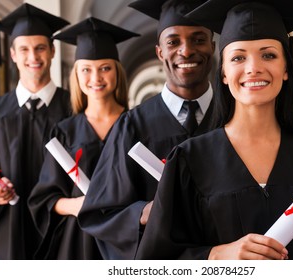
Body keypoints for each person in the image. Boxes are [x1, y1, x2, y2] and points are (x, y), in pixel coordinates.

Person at [136, 0, 293, 260]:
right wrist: (216, 255)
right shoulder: (188, 160)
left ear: (286, 68)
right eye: (238, 57)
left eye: (268, 54)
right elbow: (154, 263)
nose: (253, 67)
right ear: (224, 72)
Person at [77, 0, 216, 259]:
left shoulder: (234, 117)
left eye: (198, 39)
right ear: (160, 52)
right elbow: (100, 213)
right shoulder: (131, 126)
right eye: (173, 42)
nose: (186, 51)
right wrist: (143, 212)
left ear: (213, 47)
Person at [27, 17, 139, 260]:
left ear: (117, 72)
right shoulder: (64, 132)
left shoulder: (137, 125)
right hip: (77, 243)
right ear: (76, 75)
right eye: (86, 69)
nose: (96, 78)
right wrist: (76, 205)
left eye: (105, 68)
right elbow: (45, 199)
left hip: (126, 240)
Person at [0, 3, 71, 259]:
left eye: (40, 48)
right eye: (24, 49)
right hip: (12, 231)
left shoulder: (75, 108)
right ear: (13, 54)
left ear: (53, 51)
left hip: (64, 233)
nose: (33, 57)